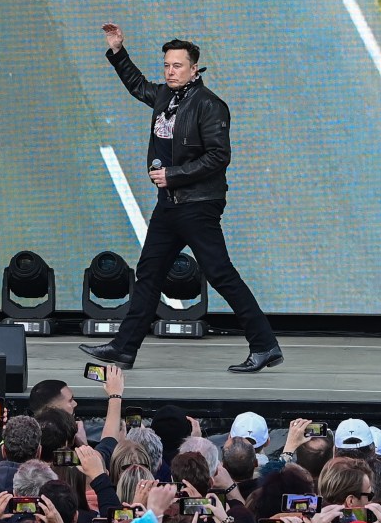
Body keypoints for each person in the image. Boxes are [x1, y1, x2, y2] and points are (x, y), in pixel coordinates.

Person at [80, 31, 283, 373]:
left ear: (194, 69)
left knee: (220, 273)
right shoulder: (165, 96)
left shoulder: (209, 105)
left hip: (198, 204)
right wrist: (118, 51)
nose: (170, 71)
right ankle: (123, 349)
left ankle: (265, 345)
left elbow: (219, 156)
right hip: (169, 205)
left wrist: (173, 175)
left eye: (177, 66)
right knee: (149, 273)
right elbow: (136, 85)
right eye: (166, 65)